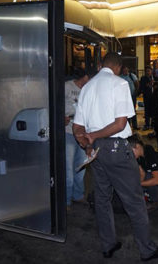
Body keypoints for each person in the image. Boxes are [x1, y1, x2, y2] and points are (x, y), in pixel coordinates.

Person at [72, 52, 158, 261]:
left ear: (101, 66)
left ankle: (108, 245)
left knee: (103, 199)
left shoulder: (87, 87)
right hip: (116, 149)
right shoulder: (120, 84)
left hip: (96, 153)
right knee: (134, 201)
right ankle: (147, 249)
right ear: (118, 67)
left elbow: (77, 125)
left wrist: (86, 142)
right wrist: (94, 135)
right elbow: (120, 124)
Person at [65, 68, 89, 209]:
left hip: (83, 133)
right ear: (85, 76)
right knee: (68, 169)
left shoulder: (88, 89)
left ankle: (78, 195)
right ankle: (66, 200)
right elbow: (55, 103)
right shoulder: (67, 86)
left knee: (81, 166)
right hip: (68, 132)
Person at [120, 66, 140, 130]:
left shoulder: (132, 76)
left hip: (132, 96)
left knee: (133, 110)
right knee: (126, 111)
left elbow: (137, 84)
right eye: (124, 70)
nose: (125, 72)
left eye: (126, 70)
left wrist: (136, 92)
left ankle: (134, 125)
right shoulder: (120, 77)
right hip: (124, 97)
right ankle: (127, 125)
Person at [140, 66, 154, 131]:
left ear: (151, 71)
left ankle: (153, 124)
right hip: (147, 96)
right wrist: (148, 84)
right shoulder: (143, 78)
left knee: (153, 110)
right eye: (147, 71)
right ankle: (147, 124)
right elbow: (142, 87)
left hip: (153, 96)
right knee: (147, 111)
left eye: (149, 71)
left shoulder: (154, 77)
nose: (148, 72)